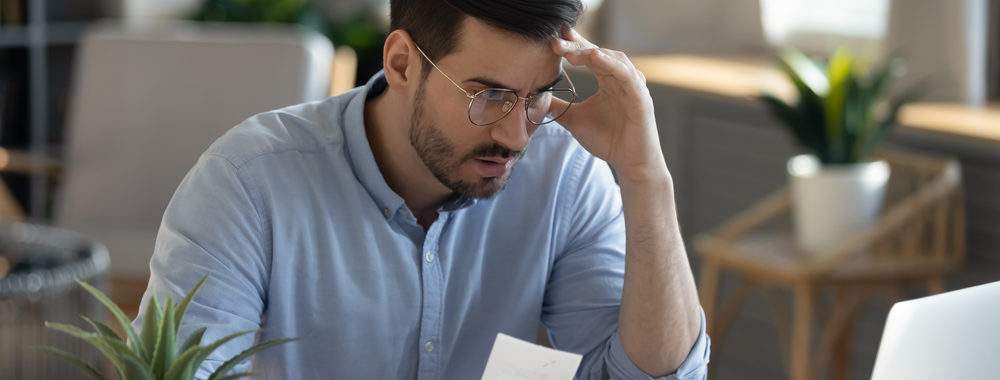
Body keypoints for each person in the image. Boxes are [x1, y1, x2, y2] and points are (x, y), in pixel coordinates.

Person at [135, 0, 710, 379]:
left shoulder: (566, 174)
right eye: (487, 95)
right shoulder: (246, 182)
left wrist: (646, 179)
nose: (515, 134)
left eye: (536, 95)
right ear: (404, 62)